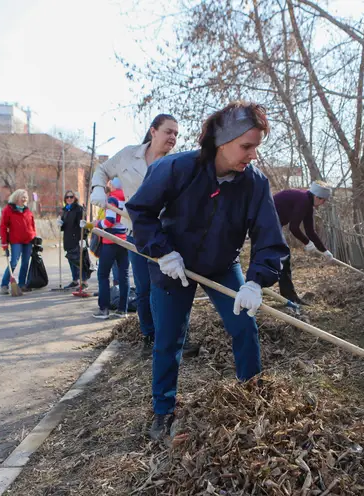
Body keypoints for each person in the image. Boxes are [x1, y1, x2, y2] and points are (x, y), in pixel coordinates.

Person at [126, 101, 289, 440]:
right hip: (173, 266)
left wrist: (256, 282)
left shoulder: (254, 184)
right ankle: (163, 412)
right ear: (222, 141)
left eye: (256, 147)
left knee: (244, 326)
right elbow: (141, 213)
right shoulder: (176, 168)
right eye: (247, 146)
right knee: (169, 339)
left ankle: (252, 396)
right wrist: (163, 252)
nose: (253, 155)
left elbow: (269, 239)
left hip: (221, 265)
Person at [90, 114, 179, 353]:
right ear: (153, 131)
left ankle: (170, 337)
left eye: (176, 134)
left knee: (167, 288)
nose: (173, 137)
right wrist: (98, 187)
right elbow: (102, 170)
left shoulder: (176, 163)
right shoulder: (129, 155)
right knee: (143, 288)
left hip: (166, 235)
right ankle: (149, 337)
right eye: (168, 131)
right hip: (136, 232)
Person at [273, 181, 334, 304]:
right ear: (317, 197)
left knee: (283, 258)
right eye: (323, 200)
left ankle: (289, 296)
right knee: (283, 257)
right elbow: (294, 228)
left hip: (273, 224)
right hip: (264, 222)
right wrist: (307, 243)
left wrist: (324, 250)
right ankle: (289, 297)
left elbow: (310, 231)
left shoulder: (308, 203)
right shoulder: (303, 200)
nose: (324, 203)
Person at [90, 195, 130, 320]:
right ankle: (123, 310)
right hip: (124, 241)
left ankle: (104, 309)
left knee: (103, 275)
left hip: (110, 242)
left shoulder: (113, 198)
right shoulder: (128, 196)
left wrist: (96, 223)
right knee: (124, 276)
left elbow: (109, 221)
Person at [0, 189, 36, 294]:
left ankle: (22, 284)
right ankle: (4, 285)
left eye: (26, 197)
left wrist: (34, 236)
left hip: (28, 240)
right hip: (16, 241)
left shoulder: (27, 210)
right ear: (16, 198)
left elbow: (32, 225)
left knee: (25, 263)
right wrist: (4, 241)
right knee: (14, 262)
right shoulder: (8, 210)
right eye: (22, 197)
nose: (24, 199)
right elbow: (3, 226)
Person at [57, 190, 89, 289]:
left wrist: (84, 237)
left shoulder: (79, 209)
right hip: (68, 238)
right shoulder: (65, 210)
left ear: (75, 198)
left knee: (80, 260)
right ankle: (75, 280)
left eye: (71, 197)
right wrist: (60, 224)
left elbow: (84, 225)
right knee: (71, 260)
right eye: (67, 197)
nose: (69, 199)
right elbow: (64, 225)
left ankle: (84, 281)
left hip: (78, 238)